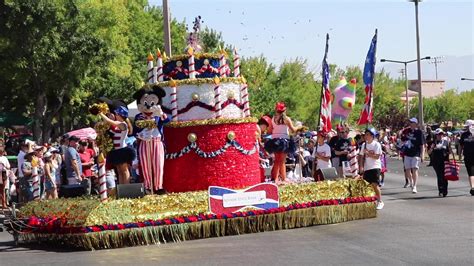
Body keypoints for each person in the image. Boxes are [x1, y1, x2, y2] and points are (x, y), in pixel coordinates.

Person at [98, 106, 136, 185]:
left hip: (122, 150)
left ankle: (126, 187)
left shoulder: (123, 124)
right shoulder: (116, 124)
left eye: (116, 114)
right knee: (119, 171)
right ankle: (122, 188)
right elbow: (108, 123)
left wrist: (100, 113)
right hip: (116, 150)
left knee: (124, 170)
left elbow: (109, 121)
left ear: (120, 115)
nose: (115, 115)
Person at [264, 102, 300, 185]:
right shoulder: (287, 119)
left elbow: (269, 131)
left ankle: (276, 178)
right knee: (282, 160)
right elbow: (293, 130)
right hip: (284, 141)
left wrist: (276, 131)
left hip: (275, 141)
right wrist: (299, 127)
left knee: (277, 160)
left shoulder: (273, 119)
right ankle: (283, 178)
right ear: (284, 110)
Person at [359, 128, 384, 210]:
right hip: (367, 168)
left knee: (375, 184)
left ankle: (380, 201)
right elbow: (361, 156)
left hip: (375, 167)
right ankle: (369, 200)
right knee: (367, 185)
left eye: (368, 135)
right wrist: (361, 167)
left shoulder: (376, 144)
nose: (366, 136)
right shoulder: (364, 145)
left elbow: (377, 156)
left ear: (372, 136)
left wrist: (368, 153)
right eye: (365, 135)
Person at [401, 118, 426, 193]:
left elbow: (422, 145)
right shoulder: (407, 131)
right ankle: (411, 182)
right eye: (410, 122)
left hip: (416, 154)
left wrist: (422, 155)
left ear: (416, 124)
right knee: (408, 170)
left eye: (412, 122)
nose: (410, 123)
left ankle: (415, 186)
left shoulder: (419, 132)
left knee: (414, 169)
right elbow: (402, 140)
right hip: (407, 153)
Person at [428, 128, 451, 197]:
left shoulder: (446, 142)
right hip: (436, 162)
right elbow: (429, 152)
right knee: (440, 176)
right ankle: (440, 190)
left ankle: (445, 190)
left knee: (445, 177)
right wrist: (432, 148)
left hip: (445, 161)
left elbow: (449, 151)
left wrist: (448, 152)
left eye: (441, 134)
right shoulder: (433, 143)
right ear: (436, 135)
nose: (440, 136)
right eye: (438, 134)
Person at [459, 119, 474, 196]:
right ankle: (472, 187)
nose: (467, 128)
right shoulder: (464, 134)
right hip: (467, 155)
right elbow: (461, 145)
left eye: (468, 126)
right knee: (470, 172)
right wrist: (460, 154)